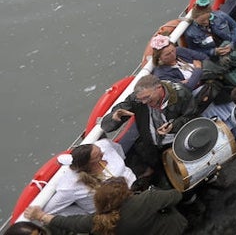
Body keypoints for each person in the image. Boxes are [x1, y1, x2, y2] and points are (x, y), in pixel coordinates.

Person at [100, 75, 198, 185]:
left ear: (159, 88)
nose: (143, 102)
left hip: (175, 143)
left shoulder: (181, 94)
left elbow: (192, 116)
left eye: (147, 97)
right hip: (150, 145)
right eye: (140, 99)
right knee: (160, 173)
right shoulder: (137, 99)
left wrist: (173, 125)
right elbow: (106, 127)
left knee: (183, 175)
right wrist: (114, 117)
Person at [27, 177, 185, 235]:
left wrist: (41, 216)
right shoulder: (148, 199)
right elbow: (176, 196)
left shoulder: (97, 221)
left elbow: (71, 223)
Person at [40, 141, 135, 216]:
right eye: (99, 155)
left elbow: (117, 149)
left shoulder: (104, 146)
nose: (103, 153)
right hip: (115, 210)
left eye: (100, 150)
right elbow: (49, 210)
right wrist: (84, 214)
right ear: (90, 164)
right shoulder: (71, 187)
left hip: (136, 189)